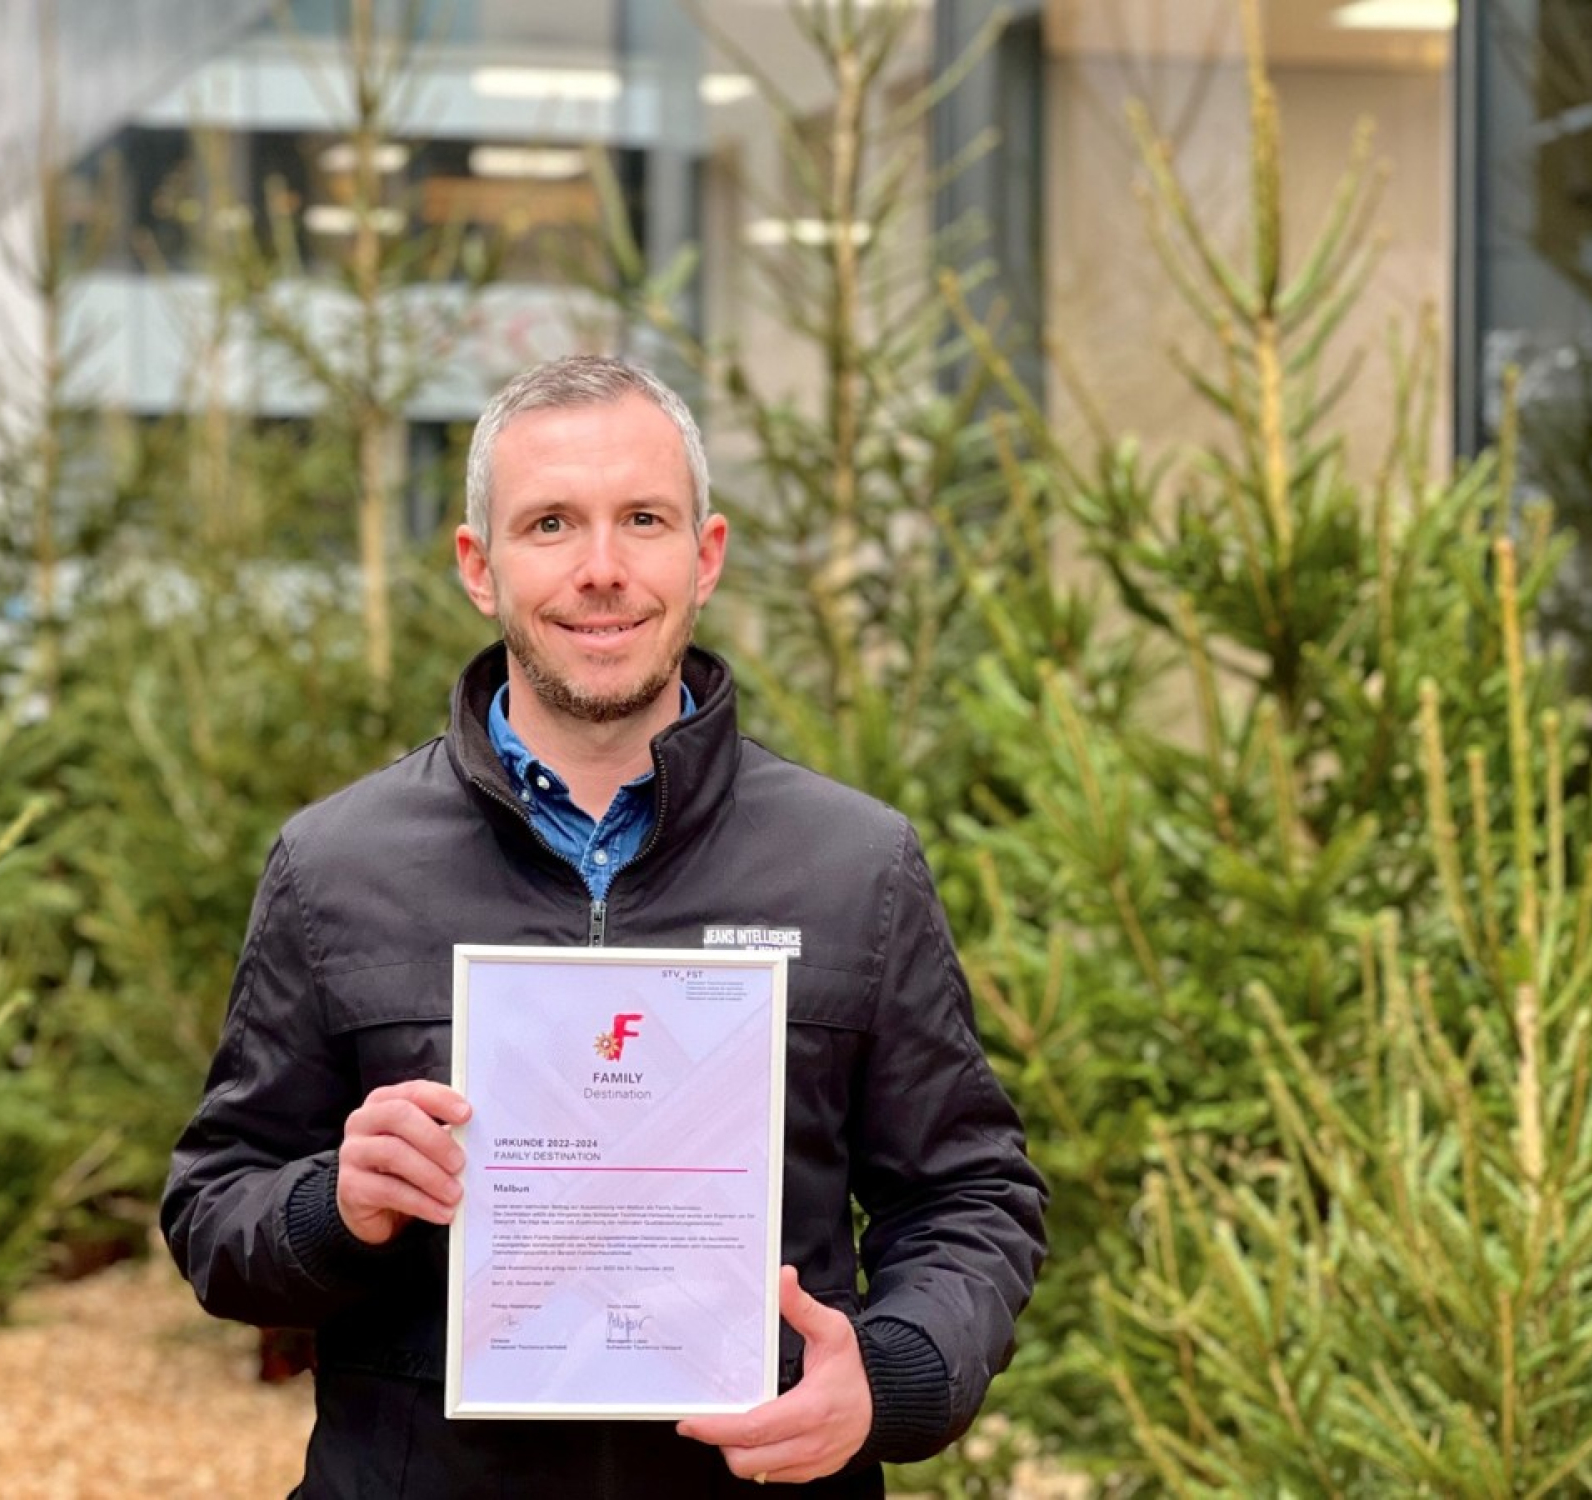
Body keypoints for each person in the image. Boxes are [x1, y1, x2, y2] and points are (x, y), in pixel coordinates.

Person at [161, 355, 1048, 1497]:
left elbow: (970, 1196)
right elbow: (213, 1211)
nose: (600, 569)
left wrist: (888, 1377)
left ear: (704, 556)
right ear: (479, 566)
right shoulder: (337, 866)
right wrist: (334, 1205)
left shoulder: (852, 867)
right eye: (550, 524)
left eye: (642, 519)